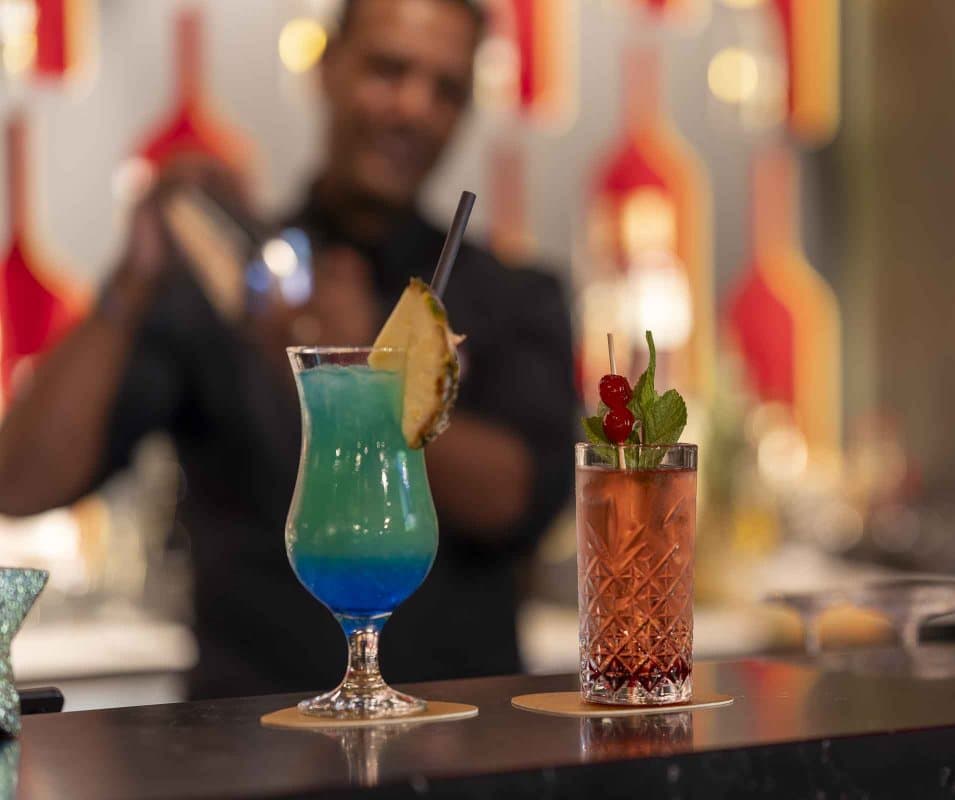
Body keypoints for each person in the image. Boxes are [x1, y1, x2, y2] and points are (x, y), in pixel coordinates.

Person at [0, 0, 576, 699]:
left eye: (446, 89)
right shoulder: (228, 286)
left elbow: (516, 499)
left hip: (462, 725)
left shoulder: (514, 296)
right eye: (387, 69)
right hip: (248, 731)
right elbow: (19, 482)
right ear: (327, 67)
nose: (412, 108)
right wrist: (133, 279)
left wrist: (363, 365)